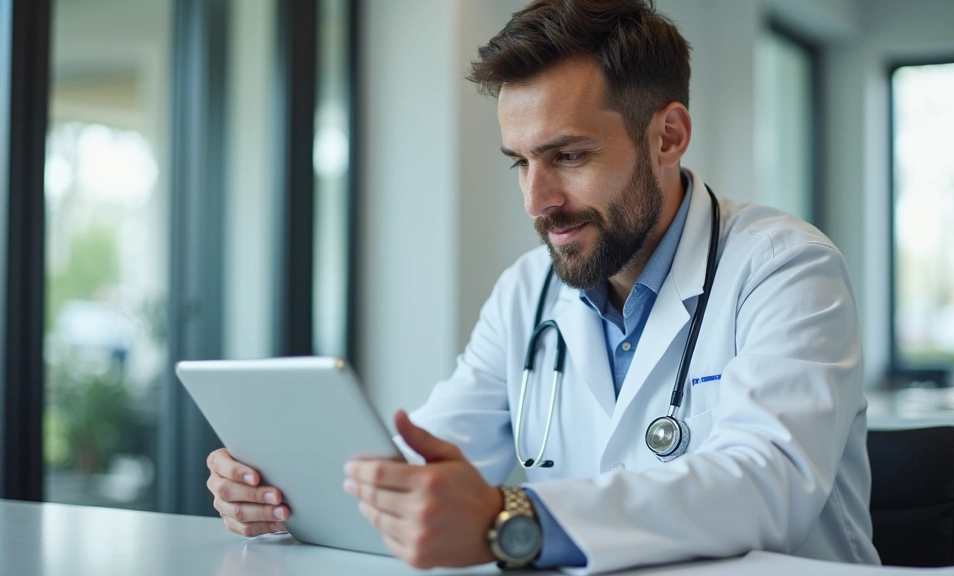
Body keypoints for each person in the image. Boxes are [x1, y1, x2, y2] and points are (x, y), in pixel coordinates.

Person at [205, 0, 881, 572]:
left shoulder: (786, 268)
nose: (538, 199)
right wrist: (281, 491)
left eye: (568, 156)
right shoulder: (528, 291)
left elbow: (766, 485)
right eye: (521, 163)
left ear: (668, 136)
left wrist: (514, 518)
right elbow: (429, 462)